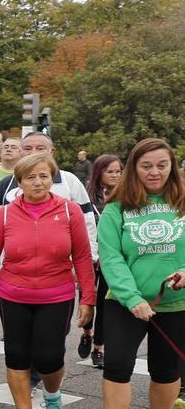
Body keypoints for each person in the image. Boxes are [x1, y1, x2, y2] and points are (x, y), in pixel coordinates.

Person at [0, 153, 95, 409]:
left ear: (52, 179)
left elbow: (82, 256)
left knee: (49, 356)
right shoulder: (6, 214)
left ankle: (52, 394)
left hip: (56, 295)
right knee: (16, 355)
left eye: (44, 176)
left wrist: (88, 298)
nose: (38, 182)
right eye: (30, 177)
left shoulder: (69, 211)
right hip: (12, 293)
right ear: (19, 181)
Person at [89, 138, 185, 409]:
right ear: (134, 168)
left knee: (167, 371)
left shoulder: (183, 202)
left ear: (172, 166)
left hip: (176, 304)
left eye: (161, 165)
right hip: (124, 303)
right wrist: (131, 297)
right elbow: (111, 257)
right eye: (146, 166)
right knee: (116, 365)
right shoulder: (116, 209)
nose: (154, 172)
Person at [0, 134, 97, 259]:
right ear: (20, 152)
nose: (33, 153)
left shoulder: (70, 182)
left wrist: (89, 257)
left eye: (40, 148)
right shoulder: (5, 184)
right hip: (13, 271)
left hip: (64, 271)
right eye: (27, 148)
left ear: (52, 152)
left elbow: (87, 222)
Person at [86, 154, 124, 368]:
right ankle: (86, 332)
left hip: (113, 258)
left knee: (106, 303)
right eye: (110, 171)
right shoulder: (88, 196)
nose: (115, 175)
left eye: (118, 171)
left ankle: (99, 345)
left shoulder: (126, 195)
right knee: (89, 301)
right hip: (90, 256)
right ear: (99, 172)